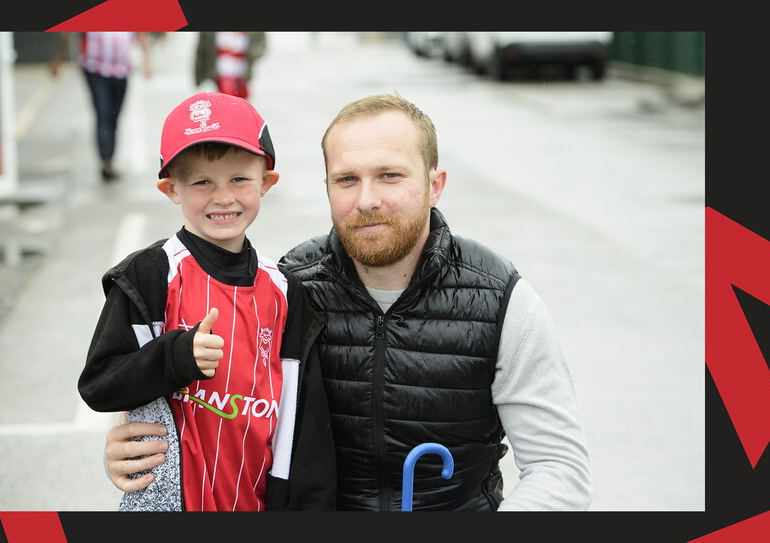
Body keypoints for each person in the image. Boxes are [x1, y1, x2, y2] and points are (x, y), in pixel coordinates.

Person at [104, 92, 592, 511]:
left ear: (434, 186)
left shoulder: (500, 298)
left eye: (390, 176)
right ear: (327, 189)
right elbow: (221, 416)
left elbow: (558, 466)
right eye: (347, 179)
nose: (367, 200)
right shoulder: (288, 290)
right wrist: (139, 446)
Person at [79, 92, 336, 511]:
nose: (223, 197)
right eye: (202, 182)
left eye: (239, 179)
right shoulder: (150, 276)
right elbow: (99, 385)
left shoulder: (287, 294)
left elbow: (306, 431)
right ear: (171, 189)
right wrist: (176, 356)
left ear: (266, 182)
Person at [51, 32, 153, 181]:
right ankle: (106, 161)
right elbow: (68, 33)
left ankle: (109, 157)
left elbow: (141, 35)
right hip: (96, 71)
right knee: (103, 113)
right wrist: (58, 59)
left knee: (114, 116)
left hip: (121, 72)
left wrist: (147, 60)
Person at [194, 32, 267, 99]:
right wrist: (199, 77)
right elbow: (201, 51)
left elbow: (261, 45)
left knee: (241, 102)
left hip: (242, 76)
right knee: (221, 101)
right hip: (218, 76)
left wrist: (250, 54)